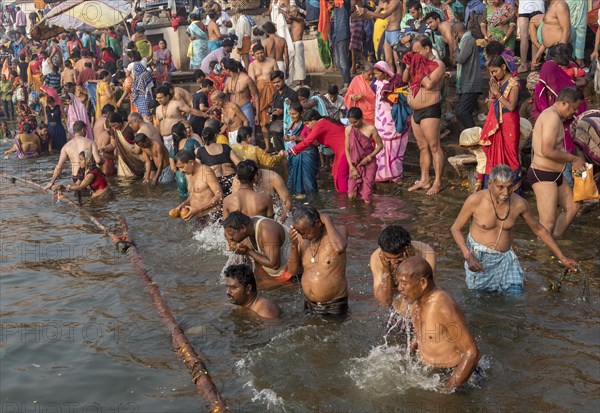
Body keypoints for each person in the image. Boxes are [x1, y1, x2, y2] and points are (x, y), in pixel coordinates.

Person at [452, 164, 579, 293]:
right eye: (500, 187)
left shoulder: (520, 204)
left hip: (506, 260)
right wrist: (468, 255)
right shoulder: (475, 200)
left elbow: (539, 230)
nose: (505, 193)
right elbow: (455, 228)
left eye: (509, 187)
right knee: (478, 301)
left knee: (515, 298)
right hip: (478, 260)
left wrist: (563, 258)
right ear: (490, 184)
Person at [395, 256, 480, 391]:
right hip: (429, 370)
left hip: (455, 373)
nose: (399, 288)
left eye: (404, 283)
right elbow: (420, 334)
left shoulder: (443, 306)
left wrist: (447, 389)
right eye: (398, 283)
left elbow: (472, 353)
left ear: (422, 283)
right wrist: (406, 359)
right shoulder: (415, 300)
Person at [529, 87, 587, 238]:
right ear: (564, 103)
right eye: (574, 108)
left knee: (573, 206)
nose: (575, 112)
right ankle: (543, 256)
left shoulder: (555, 116)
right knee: (547, 222)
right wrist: (573, 159)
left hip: (556, 173)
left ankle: (554, 241)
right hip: (543, 174)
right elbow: (547, 150)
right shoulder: (552, 118)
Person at [403, 36, 446, 195]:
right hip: (416, 111)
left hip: (430, 109)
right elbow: (404, 79)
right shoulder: (415, 63)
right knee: (422, 147)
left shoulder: (438, 65)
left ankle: (438, 182)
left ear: (427, 49)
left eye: (417, 51)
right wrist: (409, 67)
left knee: (434, 147)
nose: (414, 55)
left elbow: (429, 84)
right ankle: (424, 179)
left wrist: (419, 69)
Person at [288, 206, 348, 316]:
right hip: (309, 304)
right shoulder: (301, 238)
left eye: (306, 233)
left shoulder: (338, 231)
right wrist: (293, 245)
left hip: (334, 305)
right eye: (301, 233)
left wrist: (326, 219)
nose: (304, 237)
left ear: (318, 223)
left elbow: (339, 247)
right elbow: (293, 271)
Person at [370, 225, 436, 313]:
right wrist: (386, 269)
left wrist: (411, 262)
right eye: (388, 259)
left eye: (398, 258)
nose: (393, 263)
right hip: (396, 312)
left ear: (407, 249)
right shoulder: (377, 257)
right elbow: (384, 302)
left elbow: (423, 290)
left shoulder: (426, 253)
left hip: (421, 308)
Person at [282, 110, 349, 193]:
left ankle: (344, 201)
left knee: (341, 177)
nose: (307, 126)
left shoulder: (320, 125)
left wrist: (289, 152)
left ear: (313, 120)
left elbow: (308, 141)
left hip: (345, 150)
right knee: (335, 172)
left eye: (307, 123)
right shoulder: (323, 122)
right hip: (341, 151)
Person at [480, 55, 521, 189]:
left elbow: (511, 106)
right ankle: (495, 187)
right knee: (495, 154)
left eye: (495, 71)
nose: (493, 74)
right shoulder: (498, 83)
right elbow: (491, 107)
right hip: (498, 123)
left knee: (511, 155)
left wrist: (498, 95)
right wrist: (491, 96)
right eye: (491, 72)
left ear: (503, 67)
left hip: (510, 123)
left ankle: (514, 190)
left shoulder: (514, 84)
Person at [224, 211, 293, 281]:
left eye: (231, 235)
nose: (230, 238)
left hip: (287, 273)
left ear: (242, 228)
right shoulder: (249, 225)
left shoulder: (267, 230)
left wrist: (248, 252)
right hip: (269, 272)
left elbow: (274, 265)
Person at [372, 61, 408, 183]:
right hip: (380, 121)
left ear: (385, 72)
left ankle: (395, 174)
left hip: (392, 120)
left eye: (377, 73)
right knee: (382, 146)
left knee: (395, 147)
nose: (375, 75)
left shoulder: (396, 83)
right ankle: (382, 173)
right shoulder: (377, 84)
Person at [45, 121, 101, 190]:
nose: (86, 133)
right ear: (83, 130)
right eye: (86, 131)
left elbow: (59, 167)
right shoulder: (90, 142)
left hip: (76, 176)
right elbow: (98, 160)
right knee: (90, 196)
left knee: (79, 196)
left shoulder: (66, 146)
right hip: (88, 175)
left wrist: (52, 181)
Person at [172, 150, 223, 221]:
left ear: (191, 162)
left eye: (182, 167)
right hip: (198, 216)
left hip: (212, 216)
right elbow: (193, 195)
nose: (181, 171)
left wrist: (198, 209)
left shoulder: (206, 171)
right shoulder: (188, 175)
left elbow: (219, 196)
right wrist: (183, 205)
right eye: (179, 168)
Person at [345, 107, 383, 202]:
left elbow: (380, 145)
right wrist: (351, 167)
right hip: (354, 164)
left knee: (367, 197)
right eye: (351, 122)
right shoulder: (348, 129)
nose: (353, 125)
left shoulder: (371, 129)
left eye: (355, 122)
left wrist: (369, 158)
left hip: (369, 163)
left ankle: (368, 214)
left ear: (362, 118)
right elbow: (347, 148)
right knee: (351, 194)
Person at [357, 0, 402, 74]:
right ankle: (390, 82)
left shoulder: (396, 2)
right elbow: (371, 17)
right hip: (387, 33)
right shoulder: (382, 3)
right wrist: (363, 14)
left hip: (395, 32)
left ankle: (399, 82)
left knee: (398, 63)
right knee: (388, 62)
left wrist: (366, 11)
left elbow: (383, 16)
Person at [155, 85, 205, 151]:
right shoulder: (158, 109)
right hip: (165, 138)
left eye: (161, 98)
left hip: (176, 136)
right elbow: (157, 125)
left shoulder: (176, 104)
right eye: (157, 98)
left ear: (167, 96)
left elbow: (190, 110)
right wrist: (158, 139)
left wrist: (205, 115)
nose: (159, 100)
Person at [283, 103, 319, 195]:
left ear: (301, 113)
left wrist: (299, 138)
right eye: (290, 114)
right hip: (295, 155)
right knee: (294, 178)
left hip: (307, 156)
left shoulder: (307, 125)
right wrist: (286, 137)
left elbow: (317, 142)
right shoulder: (291, 124)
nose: (292, 116)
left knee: (308, 179)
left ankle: (312, 198)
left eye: (294, 114)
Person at [248, 42, 278, 150]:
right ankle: (267, 146)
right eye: (258, 53)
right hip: (260, 94)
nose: (260, 55)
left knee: (275, 118)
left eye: (262, 53)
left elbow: (278, 76)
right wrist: (253, 98)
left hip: (273, 92)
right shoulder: (252, 65)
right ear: (254, 55)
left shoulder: (272, 61)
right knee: (263, 122)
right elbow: (251, 83)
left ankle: (277, 145)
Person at [453, 22, 481, 130]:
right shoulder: (465, 40)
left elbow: (460, 59)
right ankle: (470, 135)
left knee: (463, 112)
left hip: (470, 84)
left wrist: (455, 46)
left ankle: (475, 136)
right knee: (459, 112)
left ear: (455, 33)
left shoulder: (468, 40)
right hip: (465, 84)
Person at [196, 127, 241, 196]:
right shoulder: (226, 147)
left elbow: (197, 172)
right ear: (216, 136)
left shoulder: (201, 151)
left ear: (202, 138)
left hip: (216, 184)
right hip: (232, 180)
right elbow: (240, 164)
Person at [223, 59, 260, 133]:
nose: (223, 71)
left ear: (228, 70)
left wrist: (257, 114)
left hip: (245, 107)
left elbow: (256, 95)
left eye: (224, 69)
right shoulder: (228, 80)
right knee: (235, 132)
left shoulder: (246, 79)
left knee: (249, 131)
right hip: (233, 108)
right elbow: (223, 95)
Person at [269, 70, 299, 151]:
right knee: (280, 152)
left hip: (289, 127)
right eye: (274, 83)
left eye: (278, 82)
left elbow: (298, 110)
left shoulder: (292, 94)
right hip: (277, 127)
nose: (276, 84)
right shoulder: (275, 94)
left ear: (283, 79)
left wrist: (282, 112)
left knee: (290, 150)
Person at [170, 122, 201, 198]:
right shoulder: (192, 142)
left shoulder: (172, 147)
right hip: (192, 176)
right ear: (184, 132)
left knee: (183, 204)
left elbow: (173, 168)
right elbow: (200, 158)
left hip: (179, 179)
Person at [516, 0, 544, 73]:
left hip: (524, 7)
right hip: (538, 6)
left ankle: (523, 65)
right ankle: (533, 64)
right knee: (534, 36)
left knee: (524, 37)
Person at [287, 7, 306, 86]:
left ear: (296, 12)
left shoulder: (300, 19)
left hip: (298, 43)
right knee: (294, 63)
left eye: (291, 12)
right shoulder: (293, 21)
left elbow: (290, 17)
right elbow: (288, 20)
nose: (290, 14)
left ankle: (302, 82)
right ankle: (297, 81)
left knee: (300, 63)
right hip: (293, 44)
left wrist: (282, 11)